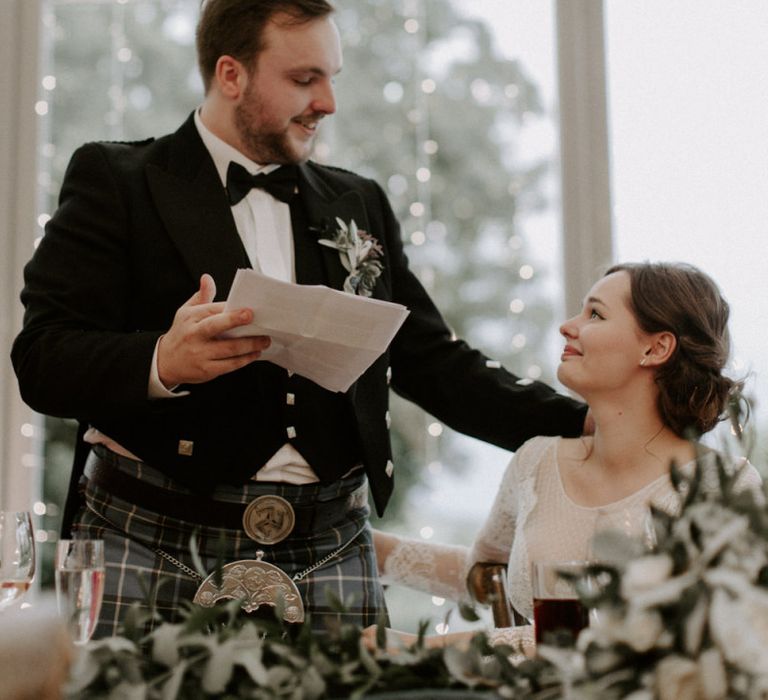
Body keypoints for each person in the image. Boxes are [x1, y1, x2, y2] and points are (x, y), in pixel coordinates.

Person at [11, 0, 587, 637]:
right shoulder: (118, 180)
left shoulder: (357, 201)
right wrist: (161, 362)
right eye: (304, 79)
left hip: (328, 545)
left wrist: (590, 423)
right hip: (152, 538)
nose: (328, 102)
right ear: (232, 75)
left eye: (331, 77)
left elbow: (431, 361)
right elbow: (42, 358)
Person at [371, 262, 762, 652]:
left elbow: (687, 645)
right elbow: (483, 577)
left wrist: (419, 648)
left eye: (595, 313)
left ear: (655, 347)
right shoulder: (537, 461)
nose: (567, 326)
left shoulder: (719, 486)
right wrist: (364, 545)